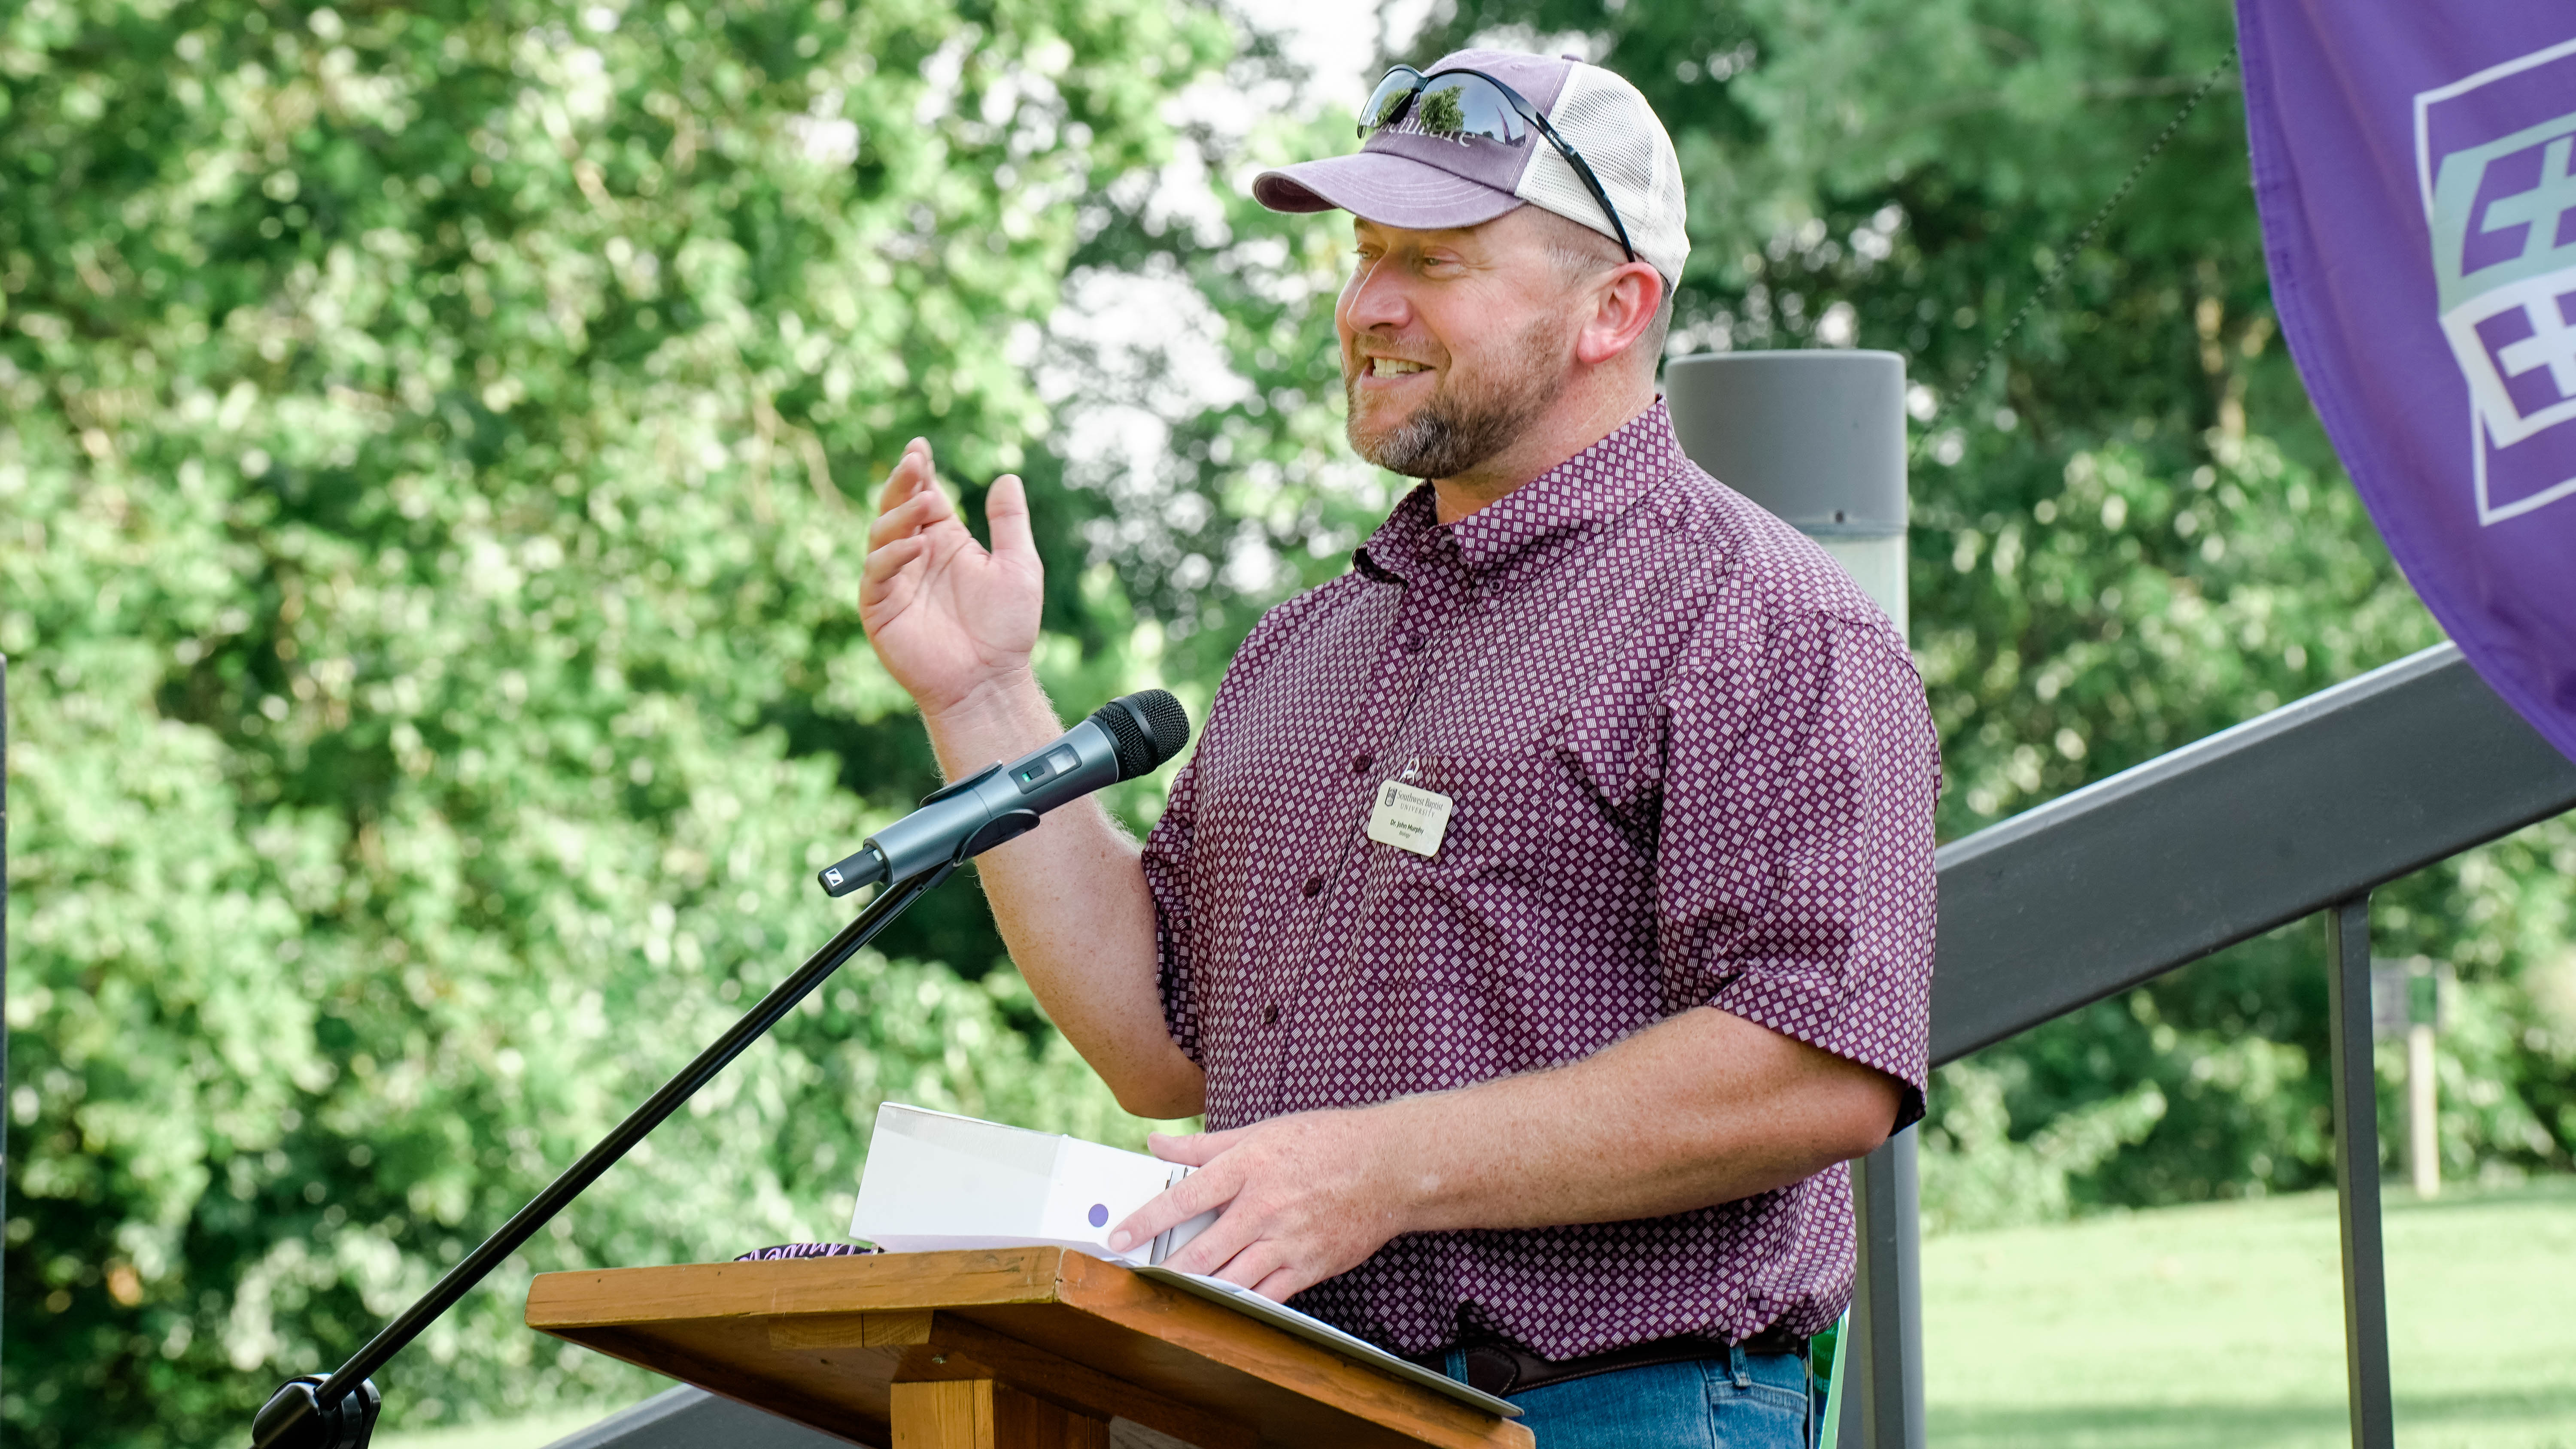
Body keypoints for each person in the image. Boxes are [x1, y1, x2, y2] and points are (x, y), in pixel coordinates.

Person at [856, 47, 1937, 1449]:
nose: (1367, 307)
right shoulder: (1303, 646)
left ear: (1616, 308)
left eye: (1433, 260)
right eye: (1364, 256)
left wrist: (1381, 1171)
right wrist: (985, 696)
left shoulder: (1768, 623)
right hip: (1277, 1402)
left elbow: (1822, 1066)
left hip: (1621, 1413)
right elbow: (1161, 1045)